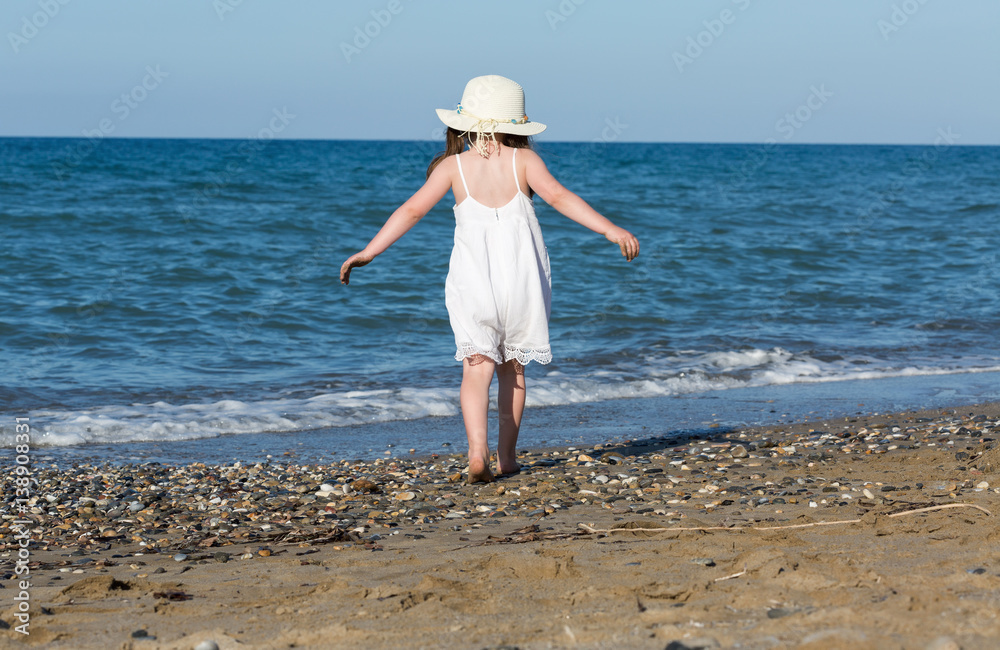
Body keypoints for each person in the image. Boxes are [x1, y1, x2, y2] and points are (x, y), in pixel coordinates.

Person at [340, 75, 639, 483]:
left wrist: (369, 251)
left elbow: (411, 211)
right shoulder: (525, 162)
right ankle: (507, 457)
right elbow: (560, 197)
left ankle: (476, 453)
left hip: (472, 279)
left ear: (467, 121)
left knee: (475, 367)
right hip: (523, 280)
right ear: (514, 123)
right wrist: (610, 230)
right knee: (513, 371)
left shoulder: (453, 167)